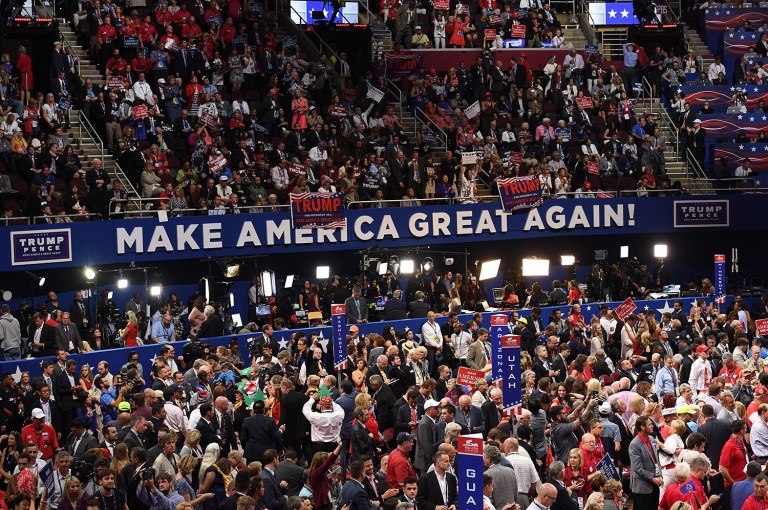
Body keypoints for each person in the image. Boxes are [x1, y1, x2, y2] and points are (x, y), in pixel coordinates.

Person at [629, 416, 663, 508]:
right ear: (643, 427)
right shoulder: (634, 444)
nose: (652, 426)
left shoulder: (651, 439)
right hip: (642, 488)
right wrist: (652, 478)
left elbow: (656, 460)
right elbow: (638, 468)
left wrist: (659, 475)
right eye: (649, 424)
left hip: (654, 485)